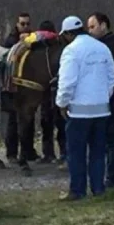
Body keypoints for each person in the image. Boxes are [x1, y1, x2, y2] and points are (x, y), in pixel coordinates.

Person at [56, 16, 114, 201]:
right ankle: (98, 188)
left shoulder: (70, 51)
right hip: (101, 110)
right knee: (98, 152)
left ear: (68, 34)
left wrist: (61, 103)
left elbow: (67, 83)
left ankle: (77, 191)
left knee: (76, 153)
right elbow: (113, 78)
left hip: (78, 112)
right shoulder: (102, 47)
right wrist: (102, 96)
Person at [87, 12, 114, 188]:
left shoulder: (113, 45)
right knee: (105, 140)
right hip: (104, 98)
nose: (90, 31)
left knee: (112, 139)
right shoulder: (101, 45)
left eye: (92, 26)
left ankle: (113, 178)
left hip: (113, 98)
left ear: (103, 25)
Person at [2, 12, 40, 162]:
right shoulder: (11, 39)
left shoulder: (33, 37)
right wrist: (20, 42)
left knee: (28, 119)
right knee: (13, 119)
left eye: (27, 24)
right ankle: (11, 152)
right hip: (14, 83)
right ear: (17, 25)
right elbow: (7, 55)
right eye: (22, 24)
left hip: (28, 85)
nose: (25, 27)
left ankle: (28, 151)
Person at [38, 20, 67, 164]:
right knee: (55, 122)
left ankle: (50, 153)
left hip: (48, 90)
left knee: (50, 122)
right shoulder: (59, 48)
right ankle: (60, 152)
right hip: (52, 90)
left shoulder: (40, 50)